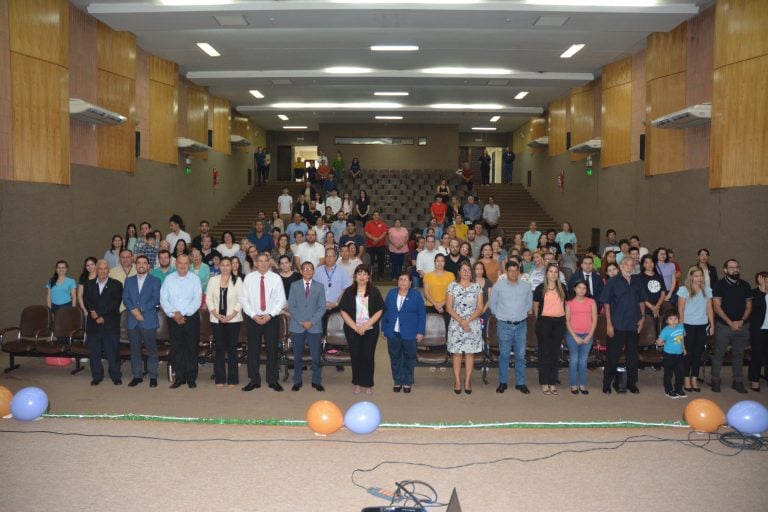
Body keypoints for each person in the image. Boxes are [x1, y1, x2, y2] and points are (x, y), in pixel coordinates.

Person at [240, 253, 287, 392]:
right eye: (260, 261)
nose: (263, 264)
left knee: (272, 350)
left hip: (271, 319)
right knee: (253, 350)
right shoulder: (249, 278)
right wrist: (253, 315)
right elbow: (244, 300)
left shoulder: (276, 278)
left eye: (265, 261)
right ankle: (254, 380)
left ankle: (273, 380)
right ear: (255, 263)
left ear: (269, 263)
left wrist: (270, 315)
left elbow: (281, 300)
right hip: (253, 319)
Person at [600, 257, 647, 394]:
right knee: (612, 357)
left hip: (634, 325)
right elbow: (606, 304)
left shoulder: (637, 281)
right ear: (621, 266)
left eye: (632, 265)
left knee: (632, 358)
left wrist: (643, 318)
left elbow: (642, 302)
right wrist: (609, 324)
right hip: (617, 325)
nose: (629, 267)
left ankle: (632, 384)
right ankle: (607, 384)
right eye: (626, 264)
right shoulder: (612, 281)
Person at [339, 265, 384, 395]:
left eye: (365, 274)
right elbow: (343, 311)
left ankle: (368, 383)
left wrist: (365, 326)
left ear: (369, 276)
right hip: (353, 330)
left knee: (368, 356)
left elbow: (379, 310)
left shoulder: (374, 291)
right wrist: (355, 327)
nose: (362, 277)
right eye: (359, 274)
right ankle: (357, 383)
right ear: (355, 276)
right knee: (356, 356)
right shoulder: (349, 292)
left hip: (370, 329)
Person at [160, 254, 202, 389]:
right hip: (173, 319)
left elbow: (197, 300)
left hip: (190, 318)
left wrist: (181, 313)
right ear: (175, 264)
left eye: (185, 263)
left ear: (189, 264)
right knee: (177, 349)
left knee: (191, 348)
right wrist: (174, 314)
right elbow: (163, 299)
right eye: (180, 263)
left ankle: (191, 378)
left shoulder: (195, 279)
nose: (183, 266)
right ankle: (179, 377)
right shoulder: (168, 279)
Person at [711, 258, 752, 393]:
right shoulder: (719, 285)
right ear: (725, 270)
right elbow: (716, 307)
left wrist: (741, 321)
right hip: (724, 326)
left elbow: (749, 306)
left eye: (737, 267)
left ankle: (738, 381)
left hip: (742, 326)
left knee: (738, 354)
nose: (735, 269)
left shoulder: (746, 285)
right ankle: (715, 380)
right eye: (732, 267)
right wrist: (730, 323)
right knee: (719, 353)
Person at [382, 272, 425, 394]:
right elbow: (385, 312)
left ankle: (407, 381)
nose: (403, 282)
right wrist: (384, 328)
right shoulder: (391, 293)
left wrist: (421, 331)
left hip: (410, 332)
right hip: (392, 331)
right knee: (395, 357)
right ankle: (397, 381)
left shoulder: (416, 295)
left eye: (406, 280)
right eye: (400, 279)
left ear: (410, 283)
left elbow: (422, 315)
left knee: (409, 358)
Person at [122, 255, 161, 388]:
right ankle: (137, 376)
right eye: (139, 263)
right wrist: (134, 311)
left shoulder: (155, 281)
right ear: (135, 265)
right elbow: (125, 298)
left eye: (144, 263)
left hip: (148, 320)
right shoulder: (129, 280)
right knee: (135, 350)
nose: (141, 265)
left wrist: (140, 309)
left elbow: (156, 299)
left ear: (148, 266)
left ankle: (153, 376)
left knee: (151, 349)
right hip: (133, 320)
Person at [287, 261, 327, 392]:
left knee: (316, 356)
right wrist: (301, 321)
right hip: (297, 326)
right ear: (301, 271)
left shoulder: (320, 287)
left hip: (314, 326)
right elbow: (291, 305)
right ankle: (297, 381)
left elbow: (322, 307)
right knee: (297, 356)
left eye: (310, 269)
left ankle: (317, 381)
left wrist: (311, 321)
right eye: (305, 269)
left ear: (313, 272)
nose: (308, 271)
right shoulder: (294, 285)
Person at [446, 261, 484, 394]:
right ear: (459, 272)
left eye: (468, 270)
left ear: (471, 272)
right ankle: (457, 380)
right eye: (463, 270)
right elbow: (449, 308)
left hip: (472, 324)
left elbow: (480, 308)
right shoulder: (452, 286)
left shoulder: (477, 287)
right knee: (456, 354)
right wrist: (462, 322)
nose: (466, 272)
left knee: (469, 354)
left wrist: (467, 321)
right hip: (456, 324)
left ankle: (467, 380)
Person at [205, 257, 243, 388]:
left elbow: (241, 300)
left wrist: (231, 315)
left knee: (232, 348)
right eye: (223, 265)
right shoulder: (213, 280)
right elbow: (208, 299)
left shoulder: (237, 280)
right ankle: (220, 378)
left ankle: (233, 379)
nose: (226, 267)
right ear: (219, 266)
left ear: (232, 267)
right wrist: (216, 314)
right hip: (216, 319)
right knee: (219, 348)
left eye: (228, 265)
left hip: (233, 319)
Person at [84, 260, 123, 386]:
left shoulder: (116, 284)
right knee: (94, 352)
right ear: (96, 270)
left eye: (105, 268)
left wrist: (100, 314)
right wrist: (94, 314)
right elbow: (87, 301)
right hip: (93, 323)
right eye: (100, 268)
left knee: (112, 352)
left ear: (109, 270)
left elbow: (115, 303)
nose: (102, 271)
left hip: (110, 322)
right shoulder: (89, 284)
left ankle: (116, 375)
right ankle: (97, 376)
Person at [677, 266, 714, 393]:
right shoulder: (684, 290)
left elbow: (710, 309)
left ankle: (694, 378)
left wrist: (712, 325)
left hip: (702, 325)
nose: (699, 278)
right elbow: (680, 309)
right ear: (691, 277)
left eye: (701, 275)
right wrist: (681, 326)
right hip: (687, 325)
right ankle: (686, 379)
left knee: (698, 354)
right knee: (688, 353)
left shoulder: (707, 290)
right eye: (696, 276)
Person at [532, 264, 566, 395]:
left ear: (558, 274)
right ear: (546, 274)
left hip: (559, 323)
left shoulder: (562, 288)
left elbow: (566, 305)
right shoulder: (540, 288)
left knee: (555, 353)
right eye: (551, 271)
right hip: (544, 323)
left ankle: (552, 382)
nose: (553, 274)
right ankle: (544, 383)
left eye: (555, 272)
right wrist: (540, 321)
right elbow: (536, 308)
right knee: (544, 353)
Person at [565, 279, 598, 395]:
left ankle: (582, 384)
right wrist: (575, 337)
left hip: (587, 335)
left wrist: (589, 335)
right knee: (574, 360)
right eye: (579, 287)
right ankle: (573, 384)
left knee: (583, 361)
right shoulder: (569, 302)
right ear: (574, 289)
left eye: (584, 288)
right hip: (572, 335)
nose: (581, 290)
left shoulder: (591, 302)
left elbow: (594, 320)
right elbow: (567, 321)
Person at [315, 247, 352, 337]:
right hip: (321, 305)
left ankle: (334, 342)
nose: (329, 258)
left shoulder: (342, 271)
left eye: (332, 256)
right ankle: (321, 341)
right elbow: (314, 289)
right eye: (327, 256)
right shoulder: (318, 271)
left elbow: (346, 290)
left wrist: (337, 303)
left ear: (336, 257)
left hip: (337, 305)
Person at [749, 271, 768, 392]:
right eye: (764, 279)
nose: (766, 281)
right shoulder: (754, 293)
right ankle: (754, 380)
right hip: (759, 329)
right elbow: (757, 305)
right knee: (757, 354)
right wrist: (762, 289)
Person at [364, 211, 388, 280]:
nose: (376, 216)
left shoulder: (383, 224)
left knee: (381, 261)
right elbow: (366, 233)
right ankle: (369, 276)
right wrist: (374, 239)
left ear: (379, 216)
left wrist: (377, 240)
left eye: (378, 215)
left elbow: (384, 233)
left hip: (381, 245)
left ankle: (380, 275)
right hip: (370, 246)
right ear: (372, 216)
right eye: (375, 215)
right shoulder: (368, 223)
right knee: (370, 261)